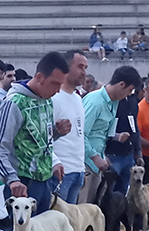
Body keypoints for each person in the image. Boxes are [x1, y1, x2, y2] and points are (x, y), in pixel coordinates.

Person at [0, 51, 70, 231]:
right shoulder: (14, 103)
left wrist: (54, 149)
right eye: (55, 83)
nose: (59, 90)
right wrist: (12, 179)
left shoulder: (45, 100)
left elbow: (39, 141)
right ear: (39, 77)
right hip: (22, 187)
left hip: (42, 182)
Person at [81, 66, 141, 204]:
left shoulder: (113, 103)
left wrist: (103, 155)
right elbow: (80, 134)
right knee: (82, 211)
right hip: (85, 164)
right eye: (128, 90)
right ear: (121, 84)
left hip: (97, 163)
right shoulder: (95, 102)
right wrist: (95, 157)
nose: (128, 95)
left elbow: (100, 133)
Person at [52, 50, 89, 205]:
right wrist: (54, 163)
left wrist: (81, 167)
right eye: (80, 67)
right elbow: (43, 136)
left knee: (69, 225)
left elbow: (79, 135)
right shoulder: (54, 97)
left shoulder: (77, 98)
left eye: (85, 67)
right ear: (67, 67)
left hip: (78, 169)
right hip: (61, 170)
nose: (84, 72)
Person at [104, 84, 145, 195]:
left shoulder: (132, 102)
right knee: (108, 192)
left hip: (128, 154)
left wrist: (138, 152)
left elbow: (134, 127)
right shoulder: (109, 103)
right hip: (112, 154)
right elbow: (101, 128)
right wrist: (116, 136)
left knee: (124, 192)